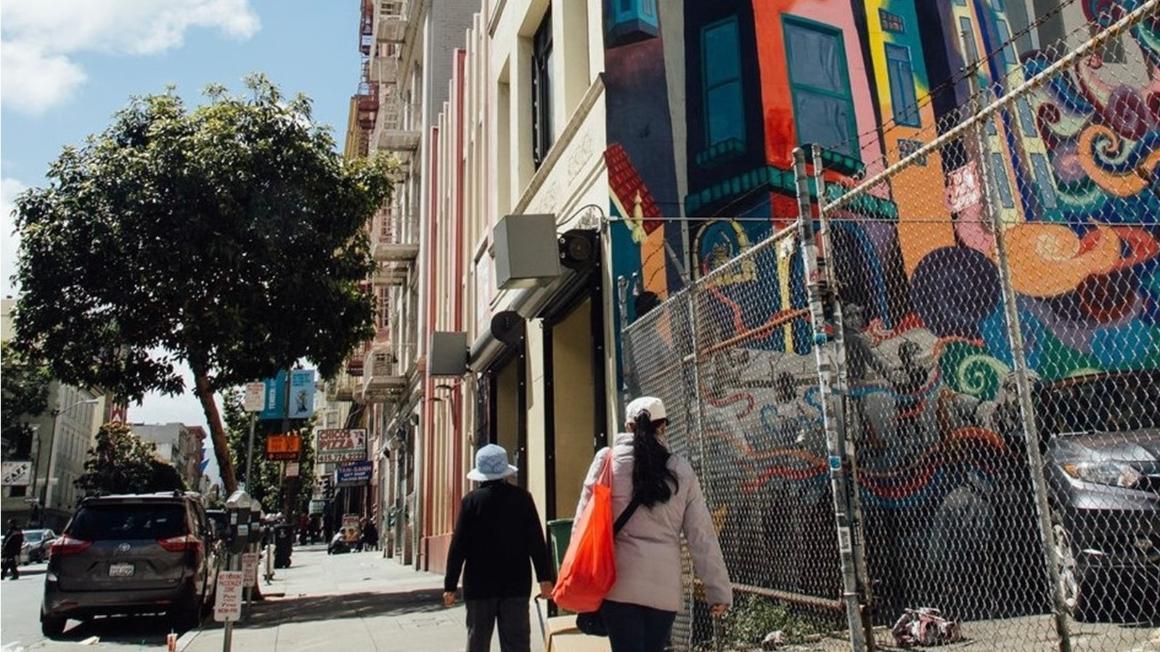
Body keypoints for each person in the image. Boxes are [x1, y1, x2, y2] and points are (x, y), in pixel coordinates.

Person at [574, 396, 731, 652]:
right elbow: (701, 535)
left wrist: (578, 577)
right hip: (664, 586)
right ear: (664, 427)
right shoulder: (681, 469)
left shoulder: (607, 461)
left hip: (618, 582)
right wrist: (718, 590)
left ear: (629, 427)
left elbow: (583, 523)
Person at [444, 444, 554, 652]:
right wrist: (544, 578)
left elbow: (458, 546)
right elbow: (536, 541)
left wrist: (450, 585)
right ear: (505, 473)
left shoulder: (471, 502)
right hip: (516, 584)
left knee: (478, 642)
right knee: (517, 643)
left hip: (479, 586)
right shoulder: (522, 498)